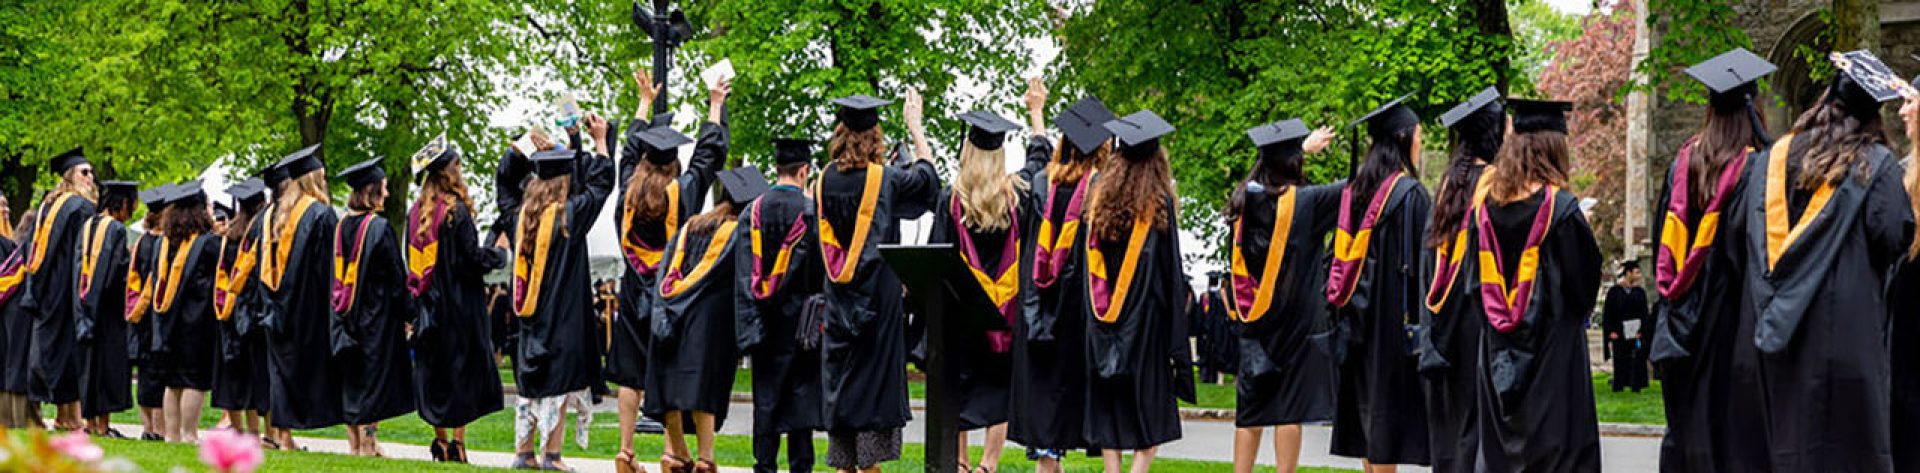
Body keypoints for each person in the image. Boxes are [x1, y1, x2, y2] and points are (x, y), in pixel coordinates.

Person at [1743, 51, 1912, 472]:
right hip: (1849, 337)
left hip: (1779, 331)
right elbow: (1893, 235)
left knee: (1789, 446)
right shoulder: (1875, 164)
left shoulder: (1771, 160)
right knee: (1849, 450)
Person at [1648, 47, 1774, 473]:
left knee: (1687, 428)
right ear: (1753, 107)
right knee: (1731, 434)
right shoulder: (1755, 169)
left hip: (1681, 321)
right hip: (1732, 325)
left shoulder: (1682, 164)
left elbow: (1660, 243)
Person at [1471, 99, 1602, 472]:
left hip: (1497, 356)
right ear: (1553, 149)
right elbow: (1582, 291)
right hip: (1554, 358)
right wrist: (1583, 229)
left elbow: (1472, 287)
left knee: (1502, 456)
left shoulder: (1483, 210)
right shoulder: (1562, 213)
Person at [815, 91, 941, 473]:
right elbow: (928, 180)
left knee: (845, 401)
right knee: (870, 403)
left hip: (838, 306)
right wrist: (916, 128)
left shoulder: (822, 181)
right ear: (874, 138)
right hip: (878, 307)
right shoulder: (884, 178)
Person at [615, 69, 730, 473]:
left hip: (632, 289)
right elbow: (708, 156)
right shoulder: (682, 191)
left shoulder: (628, 189)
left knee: (631, 373)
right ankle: (671, 451)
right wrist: (715, 104)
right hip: (671, 293)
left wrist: (644, 103)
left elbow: (627, 153)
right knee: (667, 369)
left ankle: (626, 450)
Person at [927, 100, 1049, 473]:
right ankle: (987, 464)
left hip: (965, 314)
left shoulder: (952, 200)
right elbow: (1039, 161)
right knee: (1001, 384)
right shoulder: (1018, 195)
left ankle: (960, 462)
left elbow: (936, 255)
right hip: (1007, 315)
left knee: (960, 384)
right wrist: (1036, 113)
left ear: (967, 151)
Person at [1225, 118, 1341, 473]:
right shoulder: (1307, 203)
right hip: (1296, 325)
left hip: (1255, 326)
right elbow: (1356, 187)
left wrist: (1297, 150)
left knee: (1251, 410)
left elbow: (1265, 182)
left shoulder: (1244, 203)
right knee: (1288, 410)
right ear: (1293, 164)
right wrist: (1305, 151)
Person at [1083, 109, 1194, 473]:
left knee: (1109, 402)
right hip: (1146, 324)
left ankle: (1112, 470)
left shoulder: (1098, 199)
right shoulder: (1158, 203)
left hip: (1102, 323)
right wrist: (1175, 334)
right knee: (1151, 407)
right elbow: (1170, 273)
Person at [1327, 96, 1432, 472]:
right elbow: (1426, 265)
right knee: (1386, 427)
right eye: (1419, 135)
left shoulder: (1355, 193)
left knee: (1370, 424)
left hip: (1355, 324)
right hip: (1393, 327)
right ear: (1403, 139)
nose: (1421, 144)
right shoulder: (1410, 195)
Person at [506, 114, 614, 471]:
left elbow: (504, 184)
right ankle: (551, 455)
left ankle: (524, 453)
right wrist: (600, 141)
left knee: (530, 388)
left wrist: (522, 148)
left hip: (529, 321)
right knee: (558, 386)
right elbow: (600, 186)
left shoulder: (519, 216)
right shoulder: (569, 217)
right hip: (563, 319)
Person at [1010, 92, 1110, 473]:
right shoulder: (1098, 191)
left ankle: (1048, 465)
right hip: (1076, 314)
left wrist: (1037, 114)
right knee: (1067, 399)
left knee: (1044, 404)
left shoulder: (1040, 184)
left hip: (1038, 306)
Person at [649, 167, 760, 473]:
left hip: (672, 315)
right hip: (710, 321)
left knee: (671, 383)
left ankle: (676, 454)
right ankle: (705, 458)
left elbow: (666, 272)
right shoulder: (739, 233)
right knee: (704, 388)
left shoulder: (689, 227)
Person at [1417, 87, 1503, 473]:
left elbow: (1429, 259)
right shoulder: (1496, 184)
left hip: (1441, 319)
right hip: (1477, 319)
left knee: (1448, 428)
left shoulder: (1447, 185)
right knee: (1477, 423)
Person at [407, 136, 507, 463]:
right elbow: (469, 260)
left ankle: (440, 442)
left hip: (429, 305)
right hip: (460, 306)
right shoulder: (456, 212)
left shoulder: (417, 215)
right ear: (451, 173)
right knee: (461, 371)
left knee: (436, 372)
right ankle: (459, 444)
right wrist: (499, 255)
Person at [736, 138, 826, 473]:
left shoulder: (752, 212)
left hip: (765, 323)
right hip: (803, 324)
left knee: (767, 398)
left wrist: (747, 327)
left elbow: (744, 275)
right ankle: (801, 466)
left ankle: (765, 465)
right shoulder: (811, 212)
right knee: (801, 399)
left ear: (777, 169)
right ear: (804, 171)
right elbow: (820, 269)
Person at [261, 145, 347, 443]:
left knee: (282, 372)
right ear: (314, 179)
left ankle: (283, 436)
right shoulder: (321, 215)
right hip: (308, 308)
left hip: (276, 306)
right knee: (302, 370)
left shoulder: (275, 215)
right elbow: (329, 267)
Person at [330, 158, 414, 455]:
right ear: (372, 191)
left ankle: (355, 444)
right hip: (375, 317)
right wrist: (410, 313)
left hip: (343, 314)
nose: (388, 195)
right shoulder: (379, 228)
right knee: (371, 379)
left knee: (351, 377)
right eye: (384, 189)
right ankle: (367, 443)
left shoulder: (340, 225)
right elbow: (396, 277)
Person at [21, 147, 98, 430]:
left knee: (54, 349)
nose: (91, 178)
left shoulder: (48, 207)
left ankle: (65, 415)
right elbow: (85, 252)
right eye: (84, 172)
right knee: (70, 350)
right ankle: (71, 416)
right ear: (69, 176)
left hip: (46, 291)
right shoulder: (81, 207)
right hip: (69, 289)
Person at [151, 181, 220, 443]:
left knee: (173, 382)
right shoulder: (209, 244)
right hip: (197, 323)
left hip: (167, 321)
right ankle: (189, 434)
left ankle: (171, 435)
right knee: (193, 381)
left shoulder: (163, 244)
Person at [75, 180, 137, 436]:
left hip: (85, 306)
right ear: (122, 204)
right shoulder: (116, 230)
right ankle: (103, 425)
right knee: (107, 366)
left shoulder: (87, 225)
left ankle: (90, 423)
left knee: (89, 365)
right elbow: (115, 274)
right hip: (109, 311)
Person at [211, 179, 270, 442]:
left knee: (233, 374)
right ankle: (261, 433)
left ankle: (237, 432)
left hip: (229, 314)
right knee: (258, 375)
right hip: (254, 314)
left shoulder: (228, 237)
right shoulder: (261, 235)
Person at [127, 185, 172, 439]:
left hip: (140, 315)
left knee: (145, 372)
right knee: (158, 371)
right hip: (156, 313)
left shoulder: (142, 241)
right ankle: (159, 427)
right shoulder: (165, 244)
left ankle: (147, 427)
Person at [1601, 261, 1649, 392]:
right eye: (1636, 272)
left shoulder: (1639, 292)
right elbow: (1608, 313)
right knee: (1620, 359)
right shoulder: (1614, 292)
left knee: (1636, 358)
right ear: (1628, 273)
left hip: (1635, 332)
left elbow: (1644, 313)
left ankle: (1635, 384)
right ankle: (1619, 384)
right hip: (1619, 332)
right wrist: (1610, 331)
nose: (1639, 275)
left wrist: (1642, 330)